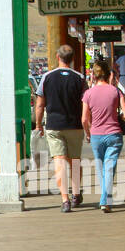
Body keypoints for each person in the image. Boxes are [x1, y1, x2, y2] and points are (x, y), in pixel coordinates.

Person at [34, 44, 86, 213]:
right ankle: (76, 193)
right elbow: (86, 103)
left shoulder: (47, 77)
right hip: (75, 125)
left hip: (54, 125)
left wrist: (38, 124)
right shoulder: (80, 78)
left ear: (58, 57)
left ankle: (65, 199)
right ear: (72, 59)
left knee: (59, 162)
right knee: (75, 161)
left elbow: (40, 104)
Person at [82, 59, 125, 213]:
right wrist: (118, 118)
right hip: (114, 133)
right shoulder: (116, 91)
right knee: (109, 167)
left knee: (102, 167)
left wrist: (88, 133)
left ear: (94, 77)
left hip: (96, 135)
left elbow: (84, 119)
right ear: (109, 74)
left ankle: (105, 199)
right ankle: (105, 200)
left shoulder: (88, 94)